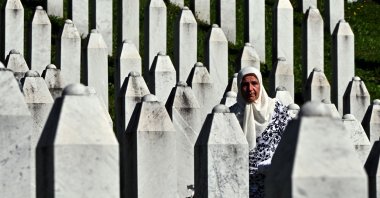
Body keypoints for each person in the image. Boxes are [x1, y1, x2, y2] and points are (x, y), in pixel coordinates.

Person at [230, 66, 291, 198]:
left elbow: (291, 142)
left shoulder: (277, 110)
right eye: (245, 84)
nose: (250, 89)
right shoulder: (232, 115)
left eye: (254, 83)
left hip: (272, 181)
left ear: (261, 84)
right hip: (241, 185)